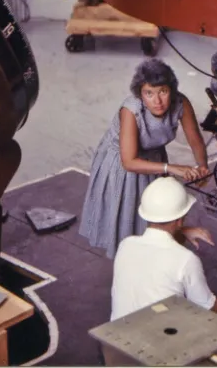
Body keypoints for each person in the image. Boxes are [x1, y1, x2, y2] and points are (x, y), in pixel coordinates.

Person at [79, 58, 210, 259]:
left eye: (163, 92)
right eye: (149, 93)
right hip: (123, 165)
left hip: (155, 158)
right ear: (141, 93)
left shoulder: (181, 102)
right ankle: (130, 263)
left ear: (171, 90)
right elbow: (129, 161)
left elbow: (196, 141)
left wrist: (202, 166)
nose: (157, 101)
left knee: (155, 213)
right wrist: (172, 168)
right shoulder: (130, 110)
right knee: (126, 219)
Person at [110, 177, 217, 321]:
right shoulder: (186, 259)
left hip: (117, 336)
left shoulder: (125, 245)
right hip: (161, 340)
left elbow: (160, 251)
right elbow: (207, 307)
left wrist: (181, 231)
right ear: (180, 220)